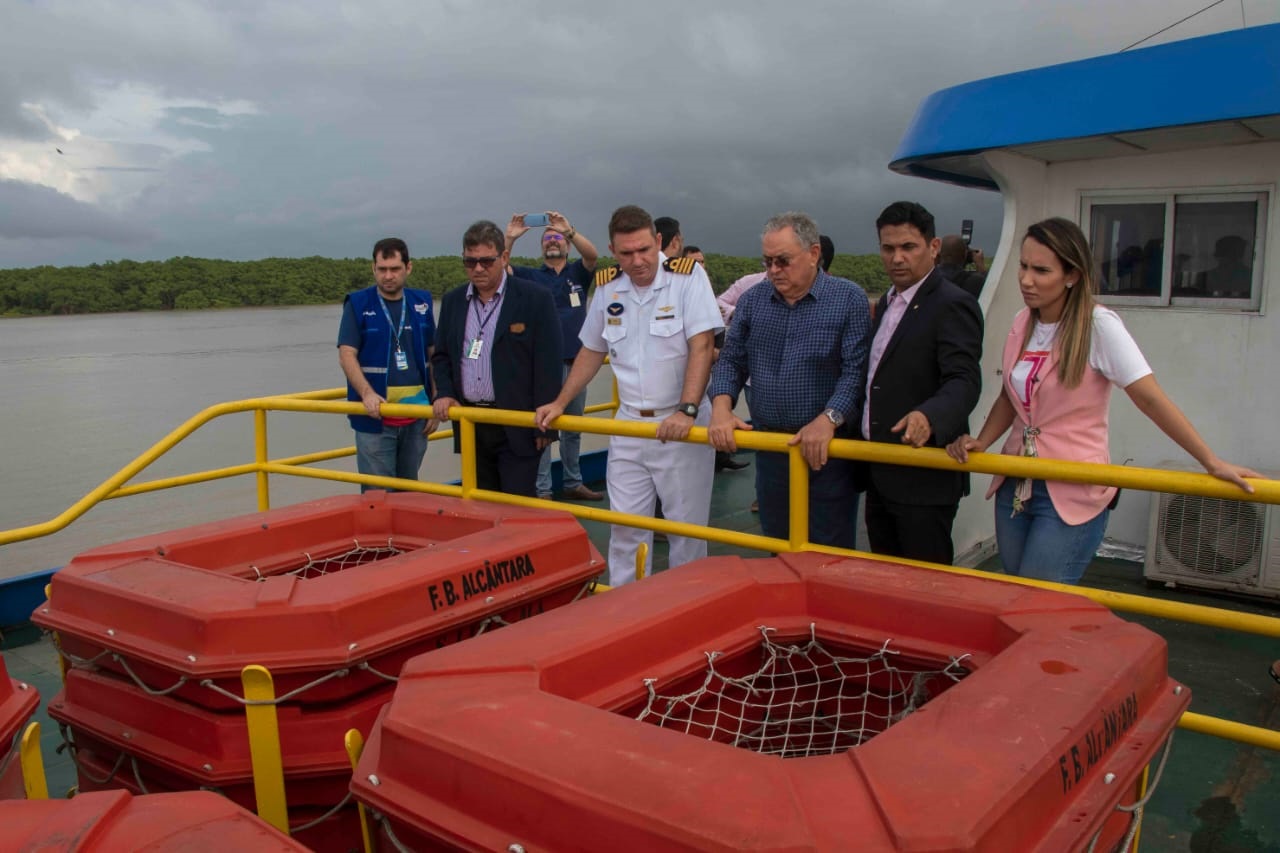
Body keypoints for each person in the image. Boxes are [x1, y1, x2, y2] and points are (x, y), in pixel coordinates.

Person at [946, 217, 1259, 584]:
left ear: (1072, 275)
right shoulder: (1021, 322)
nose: (1026, 280)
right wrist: (982, 441)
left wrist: (1210, 460)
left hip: (1071, 489)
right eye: (1023, 266)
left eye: (1041, 270)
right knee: (1017, 593)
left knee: (1039, 603)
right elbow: (1010, 397)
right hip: (1016, 485)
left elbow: (1151, 400)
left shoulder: (1099, 326)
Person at [535, 205, 722, 587]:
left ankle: (688, 609)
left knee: (685, 533)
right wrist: (559, 401)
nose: (636, 261)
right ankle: (628, 610)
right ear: (612, 250)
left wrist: (687, 411)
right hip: (629, 426)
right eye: (626, 254)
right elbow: (591, 350)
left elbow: (701, 344)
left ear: (657, 242)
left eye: (643, 250)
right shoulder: (608, 286)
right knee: (625, 531)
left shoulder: (688, 279)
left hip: (680, 425)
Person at [708, 214, 871, 548]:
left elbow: (855, 372)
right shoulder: (753, 301)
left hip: (828, 452)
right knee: (778, 543)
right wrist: (721, 407)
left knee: (829, 547)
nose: (773, 270)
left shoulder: (848, 299)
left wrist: (828, 419)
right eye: (767, 261)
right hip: (772, 451)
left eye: (783, 261)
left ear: (813, 254)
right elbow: (731, 360)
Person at [860, 201, 983, 565]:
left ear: (932, 248)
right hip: (880, 471)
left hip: (923, 480)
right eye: (888, 248)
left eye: (908, 247)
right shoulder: (888, 302)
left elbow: (964, 379)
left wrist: (929, 416)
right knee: (888, 580)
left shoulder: (952, 304)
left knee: (926, 589)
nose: (897, 258)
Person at [431, 220, 563, 498]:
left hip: (518, 426)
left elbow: (548, 362)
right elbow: (441, 356)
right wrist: (444, 393)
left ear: (503, 257)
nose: (478, 269)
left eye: (486, 261)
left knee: (516, 509)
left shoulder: (535, 299)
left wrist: (546, 428)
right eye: (470, 262)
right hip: (470, 424)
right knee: (479, 506)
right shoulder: (454, 301)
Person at [506, 211, 604, 502]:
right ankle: (543, 490)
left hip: (576, 364)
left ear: (567, 245)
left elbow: (593, 255)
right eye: (547, 238)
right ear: (541, 247)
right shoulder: (530, 276)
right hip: (542, 367)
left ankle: (573, 482)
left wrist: (568, 229)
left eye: (557, 238)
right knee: (543, 429)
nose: (552, 241)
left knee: (573, 428)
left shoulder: (578, 273)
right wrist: (510, 238)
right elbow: (501, 268)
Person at [338, 237, 438, 492]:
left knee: (409, 492)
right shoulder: (358, 303)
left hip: (418, 419)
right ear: (373, 269)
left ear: (408, 268)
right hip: (375, 419)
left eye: (395, 269)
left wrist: (437, 398)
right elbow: (347, 353)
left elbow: (434, 353)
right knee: (378, 496)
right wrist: (367, 393)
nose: (388, 276)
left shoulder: (421, 302)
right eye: (382, 269)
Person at [938, 234, 987, 298]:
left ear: (939, 254)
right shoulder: (975, 281)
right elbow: (988, 291)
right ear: (965, 254)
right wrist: (981, 266)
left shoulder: (930, 279)